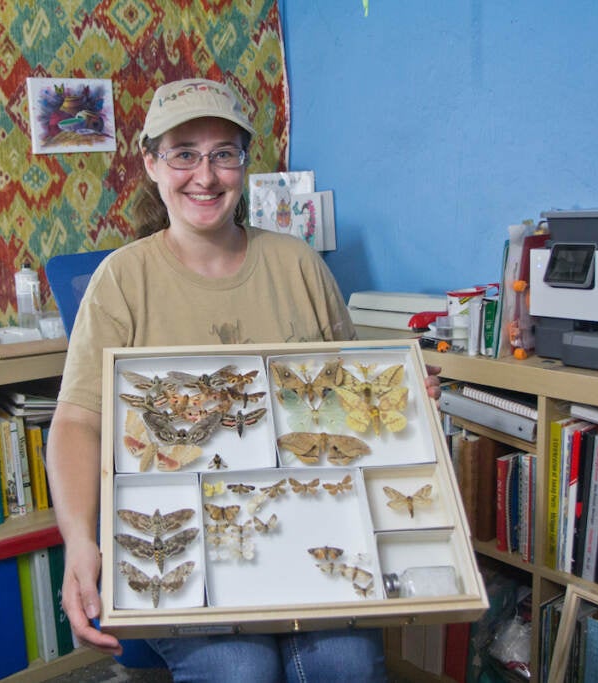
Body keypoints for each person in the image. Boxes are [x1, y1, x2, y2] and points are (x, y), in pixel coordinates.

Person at [45, 78, 440, 682]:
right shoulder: (120, 280)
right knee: (241, 670)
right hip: (183, 544)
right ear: (151, 163)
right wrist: (79, 540)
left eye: (223, 153)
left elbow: (344, 394)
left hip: (306, 529)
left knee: (346, 663)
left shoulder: (300, 265)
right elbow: (77, 420)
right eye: (184, 153)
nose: (205, 175)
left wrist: (401, 402)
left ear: (244, 165)